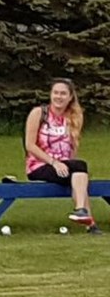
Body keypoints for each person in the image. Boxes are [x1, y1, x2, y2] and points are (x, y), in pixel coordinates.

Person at [24, 77, 101, 233]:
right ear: (51, 95)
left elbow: (72, 147)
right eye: (56, 93)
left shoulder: (74, 117)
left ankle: (88, 222)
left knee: (79, 174)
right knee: (80, 169)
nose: (59, 97)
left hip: (65, 165)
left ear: (70, 97)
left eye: (63, 93)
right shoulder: (39, 113)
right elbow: (30, 145)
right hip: (40, 165)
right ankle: (84, 214)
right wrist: (54, 162)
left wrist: (67, 166)